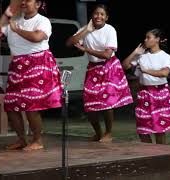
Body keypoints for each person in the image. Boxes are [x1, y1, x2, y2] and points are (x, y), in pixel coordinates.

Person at [0, 0, 62, 151]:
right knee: (11, 105)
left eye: (28, 0)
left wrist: (17, 30)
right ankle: (22, 140)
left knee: (31, 106)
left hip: (37, 63)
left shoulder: (43, 21)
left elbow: (37, 37)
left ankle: (37, 140)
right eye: (21, 0)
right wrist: (6, 15)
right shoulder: (13, 20)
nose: (23, 2)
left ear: (37, 4)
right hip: (17, 65)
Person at [67, 4, 133, 143]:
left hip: (110, 67)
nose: (99, 16)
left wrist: (86, 50)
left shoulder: (110, 30)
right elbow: (69, 43)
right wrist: (86, 31)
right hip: (93, 68)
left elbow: (107, 55)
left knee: (107, 102)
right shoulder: (85, 29)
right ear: (92, 15)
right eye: (96, 13)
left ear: (106, 17)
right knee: (90, 104)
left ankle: (109, 133)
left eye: (102, 14)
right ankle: (98, 133)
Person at [122, 29, 170, 144]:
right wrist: (135, 53)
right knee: (143, 129)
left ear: (157, 39)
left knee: (159, 129)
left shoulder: (165, 56)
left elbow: (164, 73)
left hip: (160, 94)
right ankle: (149, 152)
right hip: (145, 94)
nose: (145, 40)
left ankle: (160, 155)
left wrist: (145, 70)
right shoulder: (141, 56)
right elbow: (124, 66)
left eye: (148, 37)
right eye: (145, 37)